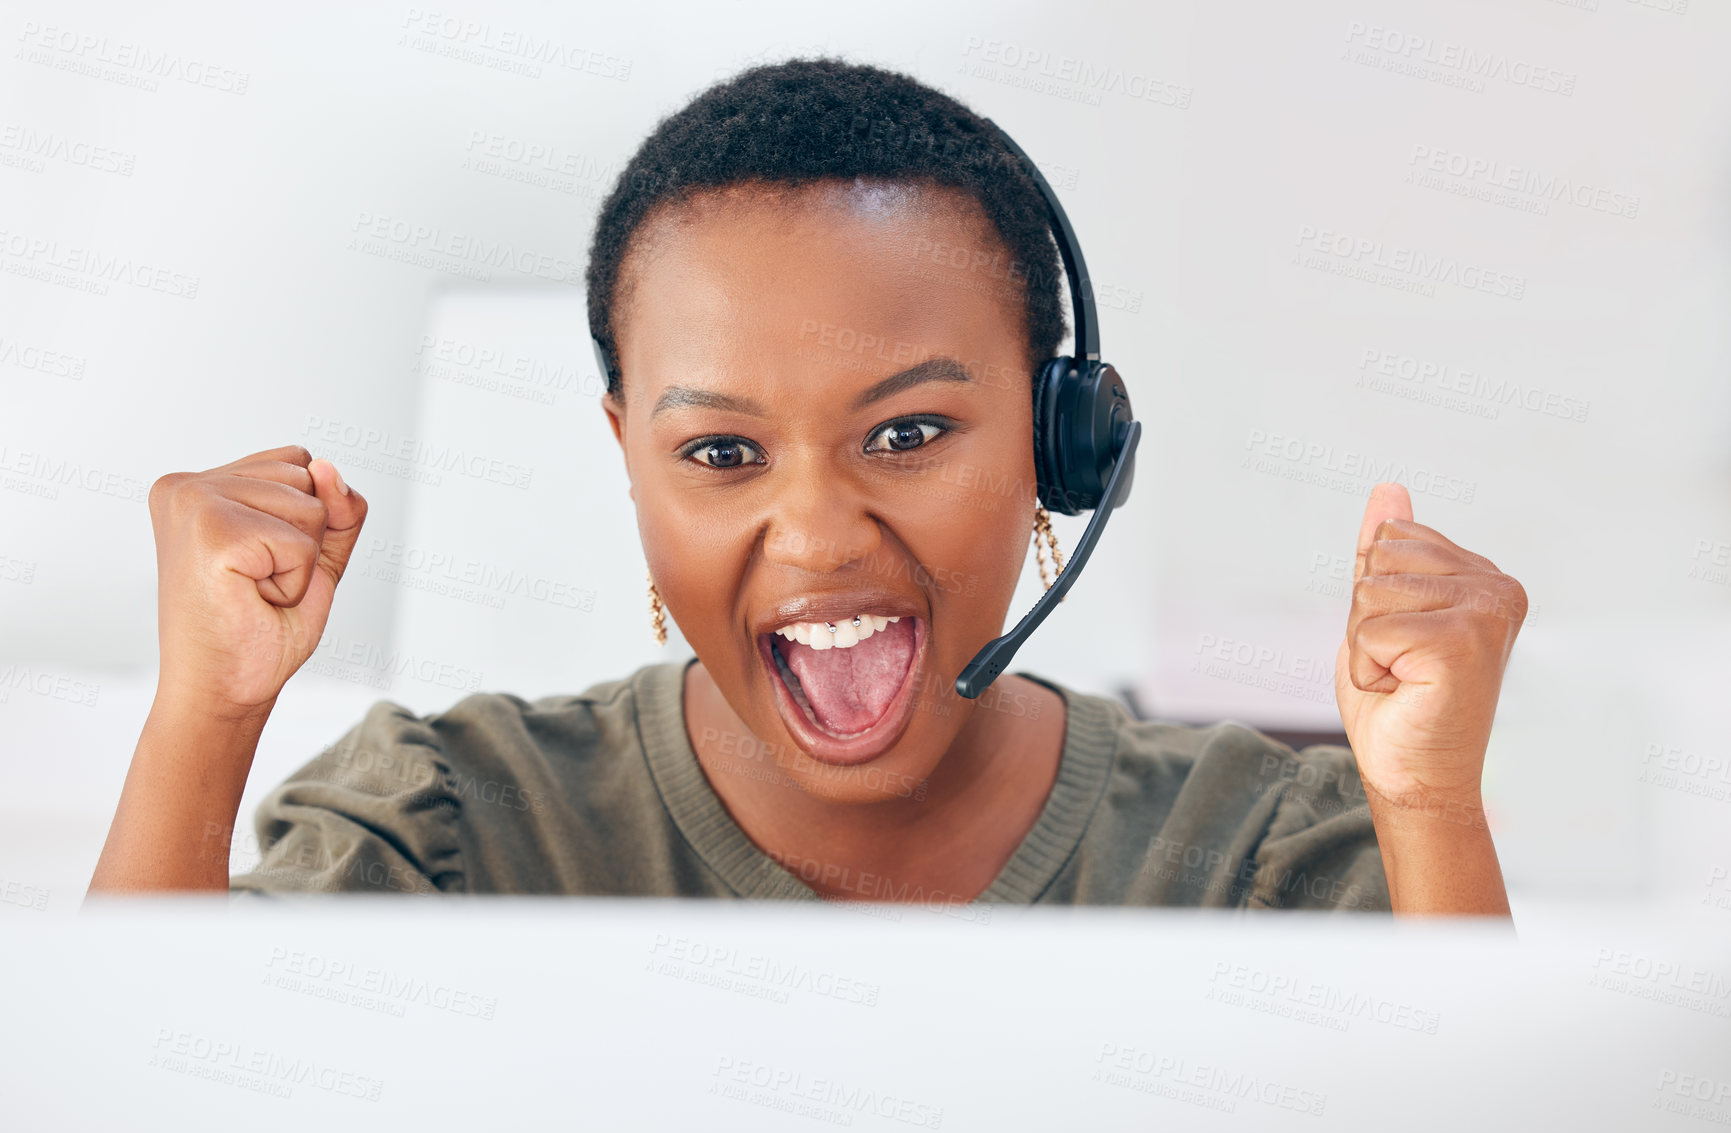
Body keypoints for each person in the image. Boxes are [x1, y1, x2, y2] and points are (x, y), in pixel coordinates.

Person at [87, 59, 1526, 915]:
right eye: (720, 454)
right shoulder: (453, 820)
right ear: (630, 468)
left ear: (1057, 442)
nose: (822, 531)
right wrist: (205, 719)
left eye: (907, 433)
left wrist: (1434, 811)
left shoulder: (1254, 849)